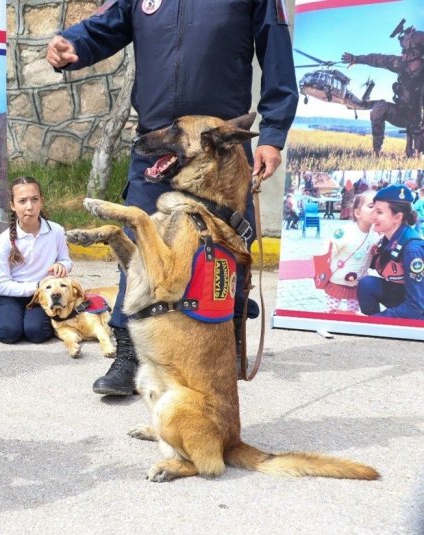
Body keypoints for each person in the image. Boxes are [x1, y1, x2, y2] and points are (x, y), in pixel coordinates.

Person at [46, 0, 298, 395]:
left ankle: (227, 343)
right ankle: (130, 354)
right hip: (159, 144)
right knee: (140, 245)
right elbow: (108, 24)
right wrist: (73, 44)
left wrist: (273, 134)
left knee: (228, 252)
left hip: (220, 150)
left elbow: (276, 52)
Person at [0, 176, 73, 344]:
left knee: (36, 333)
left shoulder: (56, 231)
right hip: (12, 295)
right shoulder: (4, 239)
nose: (29, 206)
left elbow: (66, 260)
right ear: (13, 205)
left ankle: (25, 320)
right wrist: (35, 286)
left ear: (41, 202)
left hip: (43, 294)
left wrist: (62, 265)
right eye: (22, 201)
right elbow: (1, 284)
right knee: (9, 333)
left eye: (34, 199)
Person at [342, 23, 424, 156]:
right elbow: (378, 59)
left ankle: (414, 152)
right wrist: (356, 59)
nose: (402, 55)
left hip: (420, 122)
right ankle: (377, 152)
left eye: (405, 52)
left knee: (416, 154)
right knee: (379, 108)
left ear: (416, 53)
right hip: (402, 115)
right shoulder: (401, 64)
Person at [357, 184, 424, 319]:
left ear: (397, 217)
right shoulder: (388, 238)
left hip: (417, 307)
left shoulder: (412, 250)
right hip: (403, 293)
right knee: (366, 284)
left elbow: (416, 307)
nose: (373, 216)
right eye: (373, 210)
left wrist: (376, 319)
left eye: (379, 212)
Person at [318, 191, 378, 313]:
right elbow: (328, 248)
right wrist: (323, 270)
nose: (375, 210)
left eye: (378, 208)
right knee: (332, 310)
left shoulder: (375, 235)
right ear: (357, 213)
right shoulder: (345, 232)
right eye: (371, 206)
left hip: (358, 282)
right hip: (337, 279)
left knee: (353, 311)